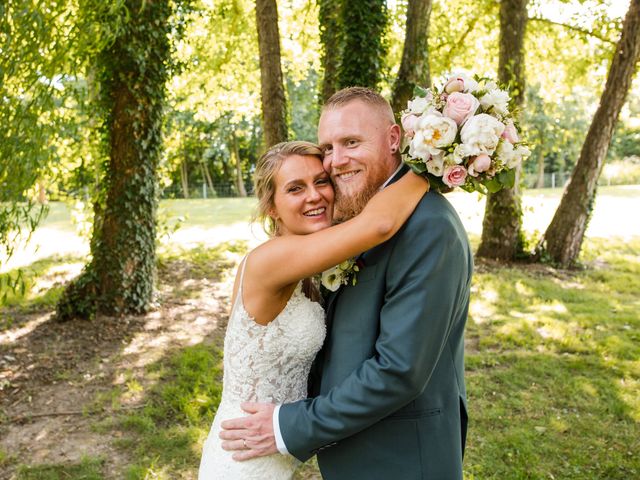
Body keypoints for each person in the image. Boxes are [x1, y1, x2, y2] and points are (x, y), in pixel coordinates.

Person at [220, 87, 473, 479]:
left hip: (402, 460)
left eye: (351, 142)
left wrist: (429, 164)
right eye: (329, 148)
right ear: (271, 206)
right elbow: (378, 225)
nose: (337, 162)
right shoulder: (298, 251)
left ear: (394, 139)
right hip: (253, 445)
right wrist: (428, 168)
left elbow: (399, 370)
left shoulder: (428, 227)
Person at [198, 140, 428, 478]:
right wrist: (437, 161)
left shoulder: (307, 260)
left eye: (321, 181)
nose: (315, 195)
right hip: (244, 454)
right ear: (272, 207)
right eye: (295, 188)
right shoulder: (271, 260)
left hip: (270, 446)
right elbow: (379, 224)